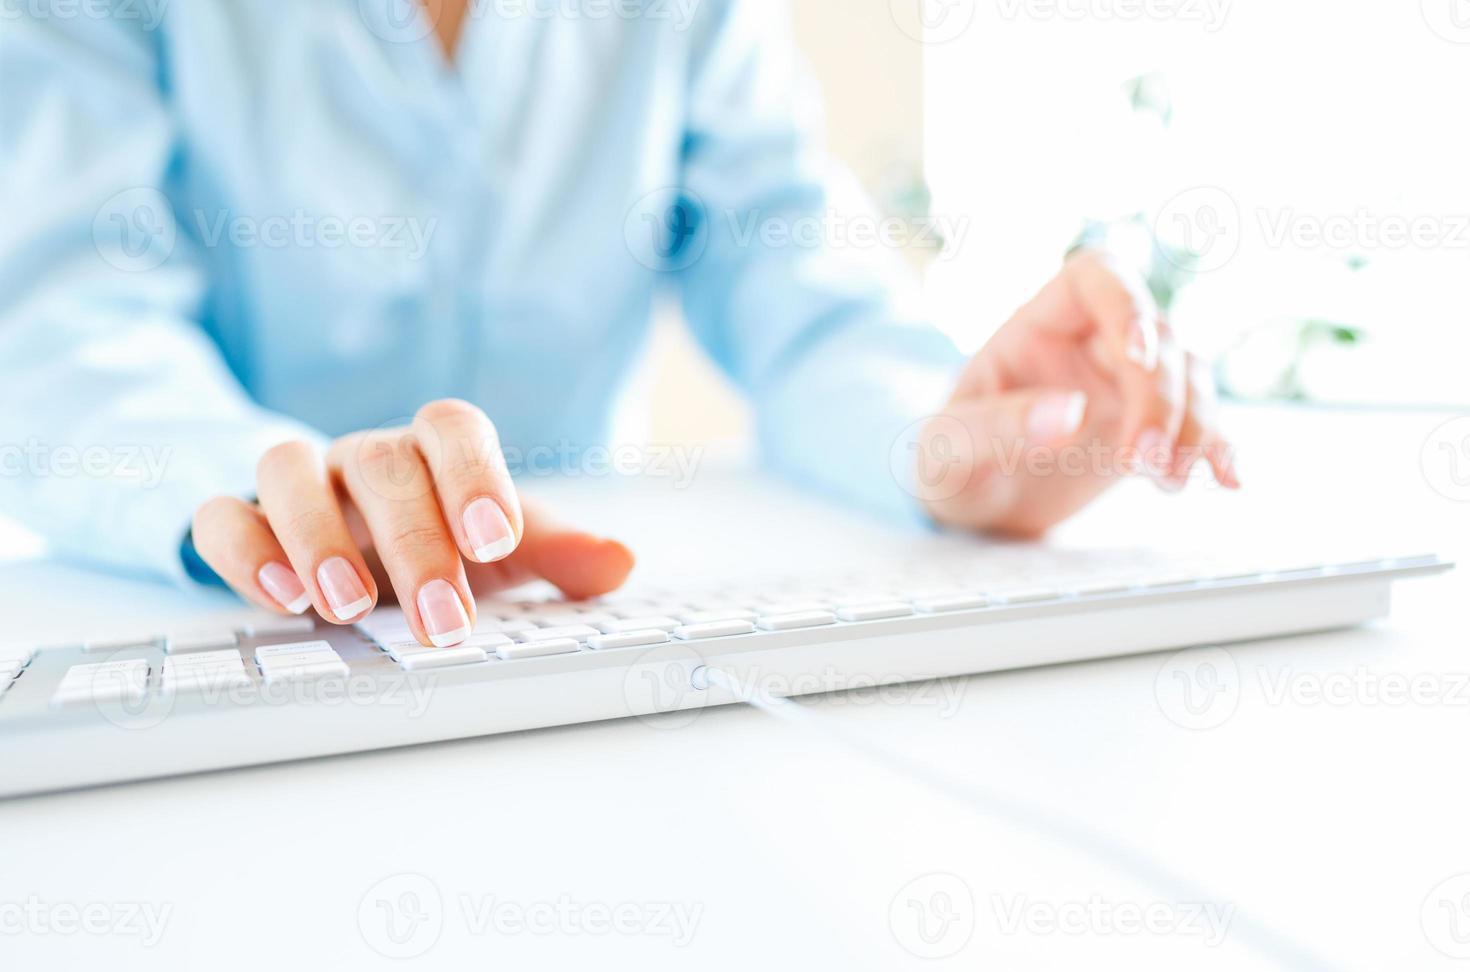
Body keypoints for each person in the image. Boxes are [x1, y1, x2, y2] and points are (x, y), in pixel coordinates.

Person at [0, 0, 1236, 650]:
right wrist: (263, 489)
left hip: (565, 633)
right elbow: (58, 317)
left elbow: (799, 290)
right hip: (223, 620)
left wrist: (949, 443)